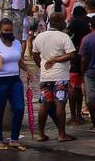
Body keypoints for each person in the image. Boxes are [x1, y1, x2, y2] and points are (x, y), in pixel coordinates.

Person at [32, 12, 76, 143]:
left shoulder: (40, 37)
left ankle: (40, 134)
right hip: (60, 76)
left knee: (44, 104)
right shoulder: (64, 37)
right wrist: (55, 59)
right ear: (59, 22)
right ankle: (62, 134)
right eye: (63, 21)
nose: (65, 23)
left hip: (45, 77)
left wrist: (42, 65)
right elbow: (71, 55)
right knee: (60, 104)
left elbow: (35, 55)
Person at [0, 17, 28, 151]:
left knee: (19, 108)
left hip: (15, 80)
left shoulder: (16, 43)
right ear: (0, 30)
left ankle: (14, 139)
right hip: (0, 80)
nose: (8, 32)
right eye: (5, 30)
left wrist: (28, 70)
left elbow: (18, 60)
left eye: (10, 30)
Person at [66, 5, 91, 125]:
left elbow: (67, 34)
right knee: (80, 86)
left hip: (76, 56)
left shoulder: (74, 22)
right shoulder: (88, 22)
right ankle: (79, 114)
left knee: (73, 86)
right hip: (87, 56)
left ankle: (73, 115)